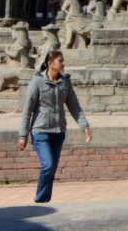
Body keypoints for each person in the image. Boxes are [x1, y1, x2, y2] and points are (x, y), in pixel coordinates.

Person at [17, 49, 92, 203]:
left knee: (52, 168)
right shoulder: (37, 81)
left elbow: (74, 106)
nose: (63, 64)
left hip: (58, 131)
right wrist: (23, 135)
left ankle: (45, 200)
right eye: (60, 61)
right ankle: (40, 198)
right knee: (48, 165)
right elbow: (28, 109)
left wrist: (85, 126)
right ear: (50, 63)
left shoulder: (65, 81)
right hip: (40, 130)